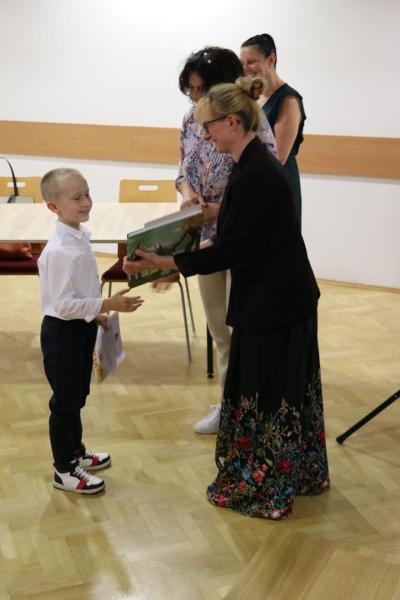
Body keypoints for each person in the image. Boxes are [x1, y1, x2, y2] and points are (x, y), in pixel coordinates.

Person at [123, 77, 329, 520]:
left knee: (270, 392)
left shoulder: (254, 173)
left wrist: (165, 263)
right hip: (278, 295)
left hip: (275, 301)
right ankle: (291, 473)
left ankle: (268, 484)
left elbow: (229, 251)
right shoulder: (251, 164)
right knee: (275, 389)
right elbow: (241, 232)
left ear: (233, 122)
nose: (205, 135)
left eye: (209, 126)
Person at [177, 46, 277, 434]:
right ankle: (228, 405)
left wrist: (218, 209)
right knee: (219, 329)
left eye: (201, 89)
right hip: (206, 237)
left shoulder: (253, 123)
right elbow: (183, 171)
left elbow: (261, 188)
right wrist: (189, 196)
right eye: (191, 90)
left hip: (243, 240)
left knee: (242, 330)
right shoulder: (191, 120)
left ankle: (250, 408)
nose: (195, 97)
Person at [38, 168, 143, 494]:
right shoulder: (59, 250)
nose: (86, 202)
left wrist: (95, 314)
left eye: (87, 194)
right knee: (64, 403)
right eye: (76, 197)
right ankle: (64, 470)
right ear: (53, 206)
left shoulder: (78, 236)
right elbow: (61, 305)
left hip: (79, 327)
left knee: (77, 395)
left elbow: (78, 292)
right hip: (62, 334)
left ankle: (76, 451)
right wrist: (106, 303)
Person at [240, 34, 306, 227]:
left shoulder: (288, 100)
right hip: (253, 179)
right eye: (242, 63)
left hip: (276, 183)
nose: (245, 68)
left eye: (251, 62)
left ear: (271, 59)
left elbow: (278, 158)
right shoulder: (252, 96)